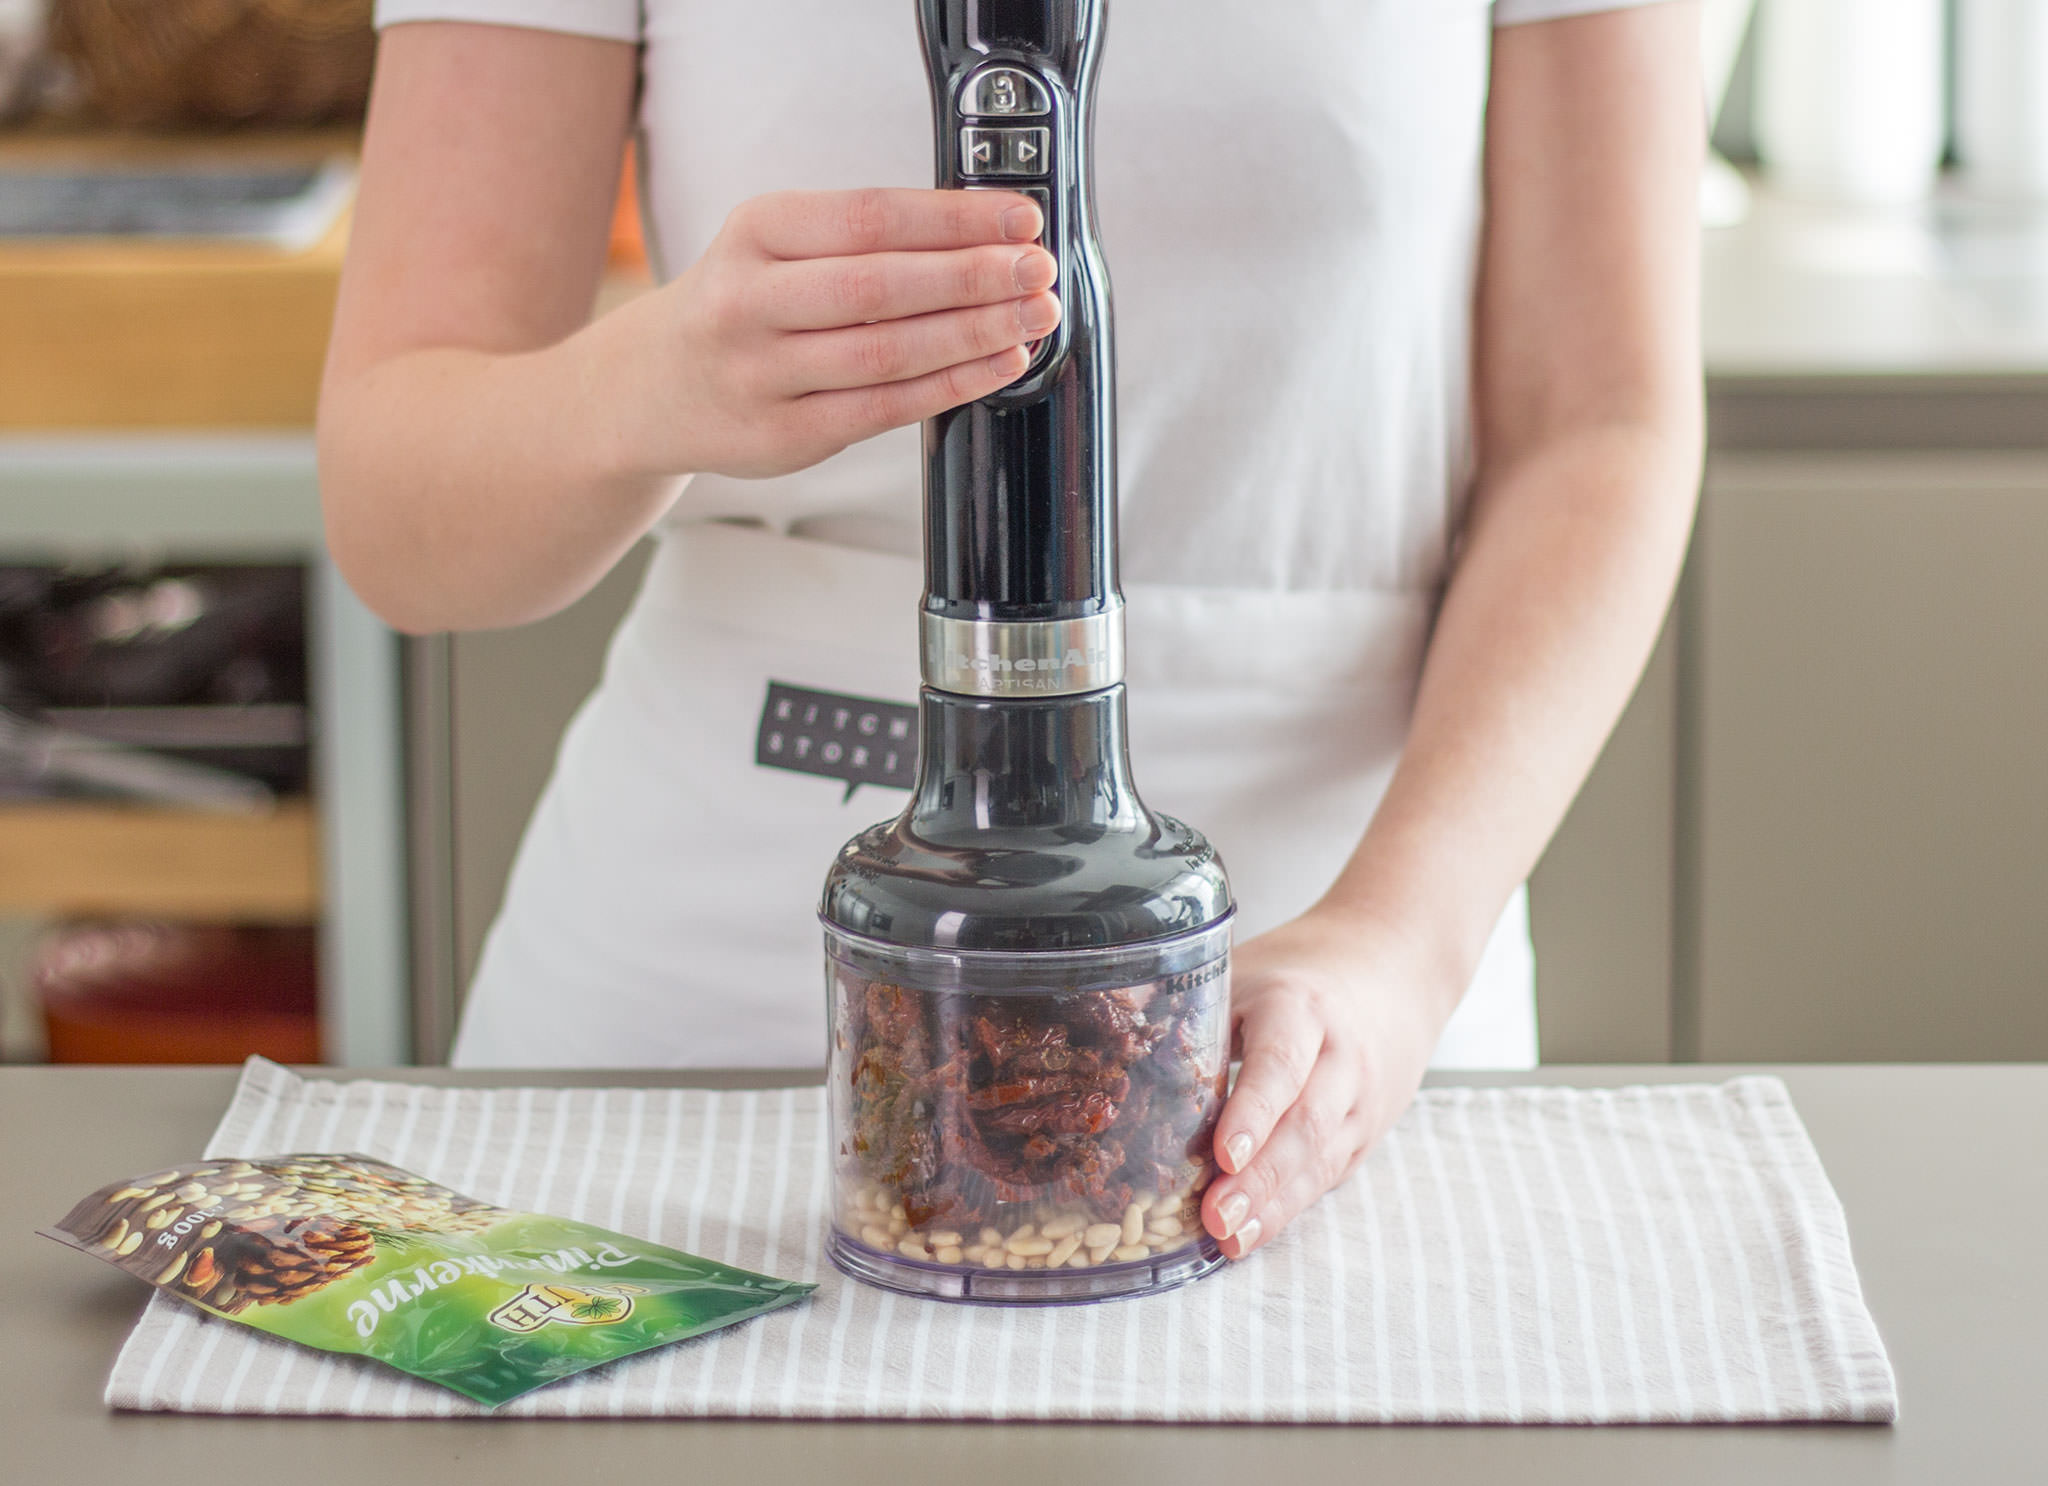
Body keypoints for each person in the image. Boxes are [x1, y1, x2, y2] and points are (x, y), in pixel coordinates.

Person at [318, 0, 1705, 1262]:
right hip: (698, 1018)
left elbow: (1601, 428)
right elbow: (399, 518)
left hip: (1321, 1025)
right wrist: (651, 386)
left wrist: (1401, 946)